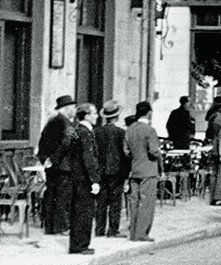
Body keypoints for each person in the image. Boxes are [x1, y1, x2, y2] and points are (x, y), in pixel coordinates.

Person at [55, 102, 102, 255]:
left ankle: (77, 244)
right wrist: (94, 180)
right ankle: (80, 245)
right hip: (84, 179)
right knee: (85, 212)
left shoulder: (76, 130)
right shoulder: (85, 133)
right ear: (87, 115)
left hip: (76, 177)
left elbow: (63, 148)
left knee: (78, 211)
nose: (97, 116)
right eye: (94, 113)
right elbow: (89, 158)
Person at [37, 95, 77, 235]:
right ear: (66, 109)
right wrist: (53, 159)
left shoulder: (52, 122)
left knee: (52, 194)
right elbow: (67, 143)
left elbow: (42, 143)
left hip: (52, 166)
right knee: (62, 197)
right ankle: (62, 227)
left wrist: (45, 160)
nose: (75, 110)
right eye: (72, 107)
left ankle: (51, 227)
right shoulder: (66, 123)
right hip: (63, 165)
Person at [125, 101, 160, 242]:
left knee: (134, 202)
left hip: (135, 169)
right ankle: (142, 233)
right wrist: (158, 153)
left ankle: (133, 232)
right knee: (146, 202)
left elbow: (126, 151)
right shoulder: (150, 130)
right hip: (149, 169)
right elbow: (153, 151)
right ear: (149, 113)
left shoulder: (130, 129)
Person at [95, 101, 127, 237]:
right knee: (115, 202)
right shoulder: (121, 133)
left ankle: (99, 229)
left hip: (101, 171)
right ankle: (113, 230)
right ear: (117, 117)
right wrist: (126, 172)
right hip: (116, 171)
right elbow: (125, 154)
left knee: (101, 201)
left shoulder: (96, 132)